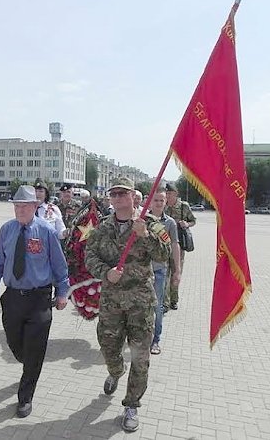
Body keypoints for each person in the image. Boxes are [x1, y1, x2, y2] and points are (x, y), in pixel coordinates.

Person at [85, 177, 171, 432]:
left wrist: (144, 235)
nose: (118, 198)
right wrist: (105, 272)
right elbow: (89, 256)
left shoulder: (150, 224)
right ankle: (115, 370)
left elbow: (164, 254)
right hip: (112, 302)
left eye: (123, 193)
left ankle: (132, 404)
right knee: (109, 347)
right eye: (113, 194)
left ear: (133, 196)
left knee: (140, 357)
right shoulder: (102, 227)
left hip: (140, 303)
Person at [0, 185, 69, 418]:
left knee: (35, 351)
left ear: (35, 206)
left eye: (25, 206)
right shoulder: (6, 230)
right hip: (12, 297)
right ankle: (27, 363)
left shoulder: (46, 231)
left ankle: (25, 397)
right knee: (16, 345)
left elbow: (59, 265)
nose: (20, 210)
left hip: (39, 299)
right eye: (17, 206)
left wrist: (62, 292)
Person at [148, 188, 180, 355]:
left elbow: (175, 245)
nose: (159, 203)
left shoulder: (169, 223)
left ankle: (156, 340)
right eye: (156, 200)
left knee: (158, 306)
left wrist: (177, 270)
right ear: (150, 201)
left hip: (160, 270)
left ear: (166, 202)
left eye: (161, 200)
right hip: (143, 272)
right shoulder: (142, 220)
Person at [163, 182, 196, 311]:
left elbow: (193, 220)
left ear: (175, 194)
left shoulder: (183, 206)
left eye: (169, 194)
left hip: (179, 247)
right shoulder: (163, 206)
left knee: (176, 273)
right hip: (164, 245)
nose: (167, 196)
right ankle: (164, 302)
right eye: (166, 193)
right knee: (164, 274)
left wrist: (187, 224)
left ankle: (173, 300)